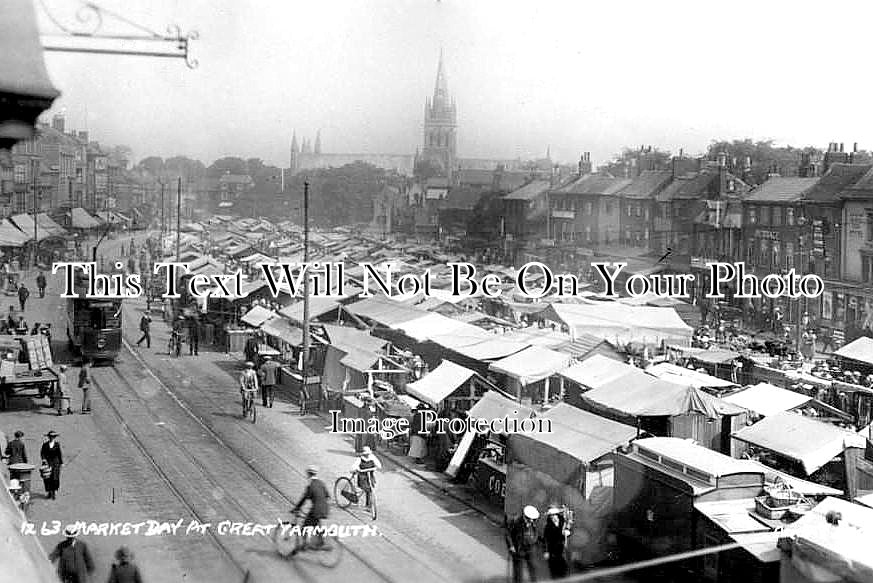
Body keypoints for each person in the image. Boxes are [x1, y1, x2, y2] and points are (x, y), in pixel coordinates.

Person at [291, 466, 330, 552]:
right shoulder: (321, 483)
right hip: (325, 509)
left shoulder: (310, 485)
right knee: (315, 524)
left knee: (304, 527)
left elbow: (304, 498)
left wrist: (296, 508)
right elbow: (327, 495)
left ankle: (306, 545)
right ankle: (319, 541)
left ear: (308, 474)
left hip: (316, 510)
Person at [506, 505, 540, 583]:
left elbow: (536, 532)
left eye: (533, 519)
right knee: (518, 571)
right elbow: (508, 534)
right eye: (530, 519)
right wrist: (511, 546)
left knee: (533, 567)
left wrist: (534, 540)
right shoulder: (515, 521)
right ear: (525, 516)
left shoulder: (533, 522)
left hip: (530, 549)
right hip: (518, 549)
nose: (532, 521)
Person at [543, 506, 569, 579]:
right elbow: (545, 540)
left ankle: (564, 577)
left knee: (563, 565)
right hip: (552, 549)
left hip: (562, 548)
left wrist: (567, 532)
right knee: (553, 567)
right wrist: (546, 551)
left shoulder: (563, 522)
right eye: (551, 515)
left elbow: (567, 530)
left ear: (557, 515)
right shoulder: (547, 526)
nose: (553, 517)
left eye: (554, 515)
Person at [41, 430, 63, 499]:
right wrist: (43, 459)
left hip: (56, 463)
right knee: (47, 478)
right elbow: (42, 453)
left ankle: (54, 491)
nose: (51, 438)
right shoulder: (45, 445)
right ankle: (49, 492)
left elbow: (59, 454)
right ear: (48, 437)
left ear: (55, 437)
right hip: (47, 463)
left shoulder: (57, 444)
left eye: (53, 437)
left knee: (55, 478)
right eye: (50, 437)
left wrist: (61, 463)